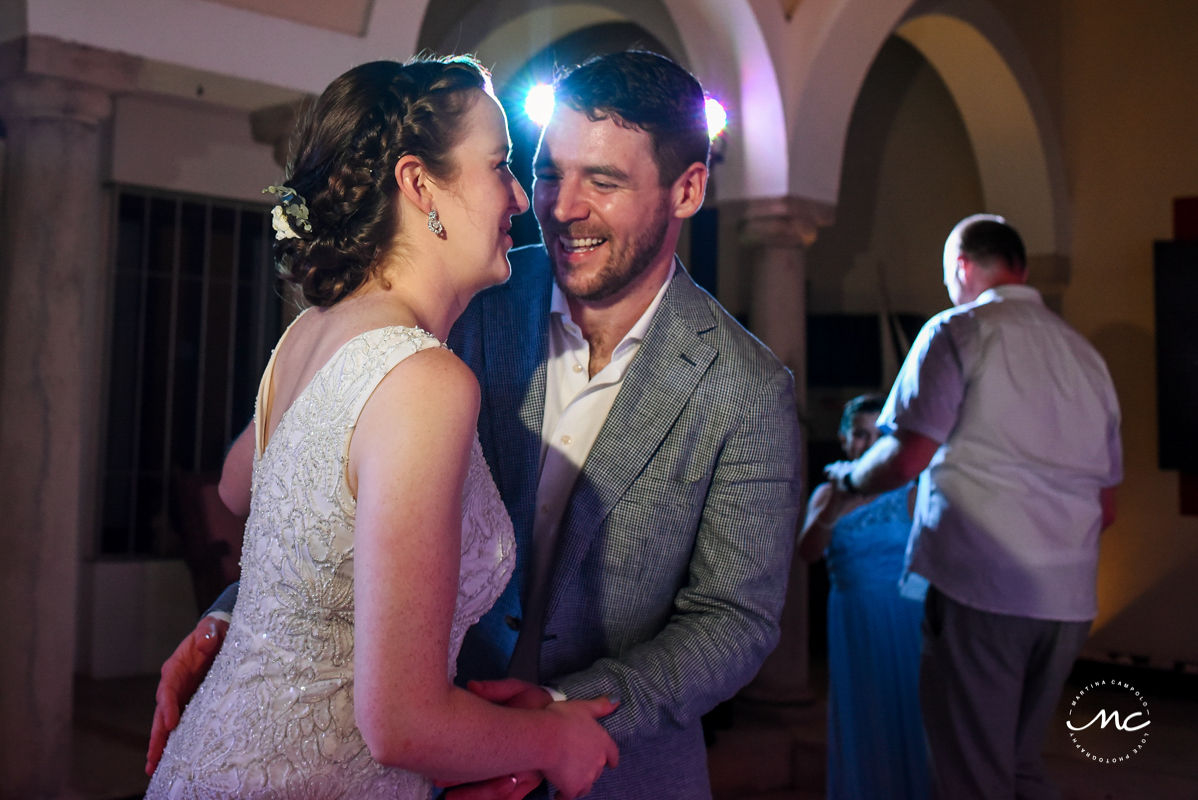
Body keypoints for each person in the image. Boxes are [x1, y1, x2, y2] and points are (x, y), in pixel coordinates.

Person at [148, 50, 801, 800]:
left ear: (687, 190)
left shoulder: (746, 390)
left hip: (613, 770)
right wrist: (245, 614)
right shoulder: (466, 297)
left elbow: (734, 618)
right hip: (408, 759)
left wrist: (559, 716)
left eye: (605, 181)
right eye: (549, 170)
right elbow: (322, 483)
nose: (556, 205)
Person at [825, 214, 1122, 800]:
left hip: (985, 587)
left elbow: (907, 459)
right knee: (1020, 766)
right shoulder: (1086, 357)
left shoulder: (958, 330)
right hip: (1070, 601)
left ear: (961, 266)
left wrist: (852, 475)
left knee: (971, 776)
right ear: (1024, 269)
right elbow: (1107, 506)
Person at [798, 394, 929, 800]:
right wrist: (837, 503)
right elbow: (808, 553)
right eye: (859, 434)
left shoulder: (911, 490)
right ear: (843, 437)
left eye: (878, 435)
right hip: (853, 617)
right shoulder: (825, 494)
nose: (868, 444)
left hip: (905, 617)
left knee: (909, 714)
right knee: (863, 716)